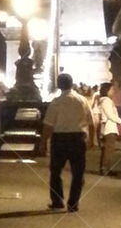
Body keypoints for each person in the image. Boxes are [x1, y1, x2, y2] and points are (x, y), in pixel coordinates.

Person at [40, 73, 95, 212]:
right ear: (72, 84)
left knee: (55, 171)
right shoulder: (82, 100)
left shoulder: (56, 102)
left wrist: (42, 142)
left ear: (59, 85)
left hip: (59, 139)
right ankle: (73, 203)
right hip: (78, 138)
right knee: (78, 173)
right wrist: (92, 140)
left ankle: (57, 200)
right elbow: (92, 123)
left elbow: (48, 125)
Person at [95, 82, 121, 175]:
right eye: (112, 89)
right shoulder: (106, 101)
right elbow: (110, 115)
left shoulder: (104, 100)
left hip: (107, 127)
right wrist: (119, 121)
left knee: (107, 149)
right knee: (108, 149)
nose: (113, 91)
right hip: (109, 127)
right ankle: (105, 168)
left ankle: (105, 167)